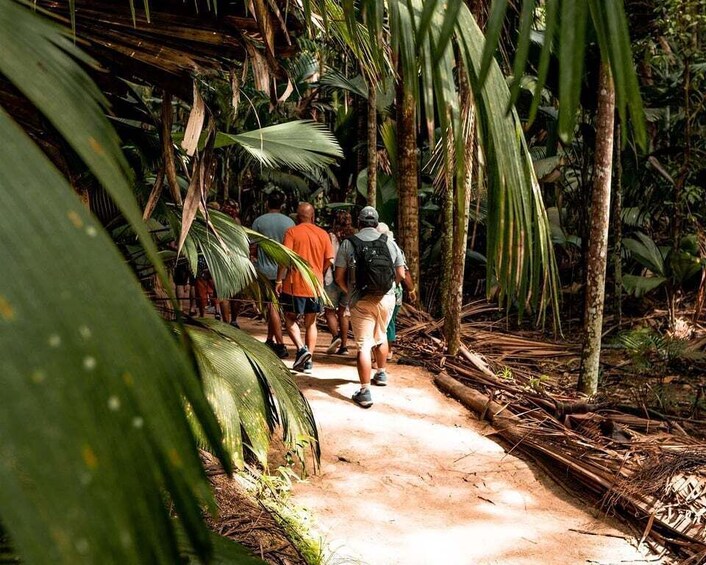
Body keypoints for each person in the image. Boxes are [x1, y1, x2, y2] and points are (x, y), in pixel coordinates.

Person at [334, 206, 405, 408]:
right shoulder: (389, 242)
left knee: (364, 345)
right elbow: (400, 273)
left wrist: (351, 291)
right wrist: (390, 288)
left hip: (361, 299)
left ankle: (365, 391)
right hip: (386, 298)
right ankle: (381, 373)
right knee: (381, 335)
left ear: (359, 222)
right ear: (376, 222)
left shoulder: (349, 243)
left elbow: (339, 277)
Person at [276, 203, 334, 374]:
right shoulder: (323, 234)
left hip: (294, 284)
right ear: (313, 216)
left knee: (289, 317)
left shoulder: (292, 232)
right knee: (311, 322)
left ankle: (302, 349)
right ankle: (309, 362)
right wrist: (318, 272)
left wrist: (279, 280)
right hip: (315, 285)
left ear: (297, 217)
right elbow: (329, 260)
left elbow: (285, 258)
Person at [251, 191, 295, 358]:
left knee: (272, 307)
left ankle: (281, 344)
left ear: (267, 203)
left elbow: (252, 247)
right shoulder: (289, 222)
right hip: (283, 272)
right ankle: (270, 339)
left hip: (265, 271)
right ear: (282, 205)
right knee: (273, 306)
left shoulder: (259, 221)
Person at [375, 223, 417, 361]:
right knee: (390, 322)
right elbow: (403, 272)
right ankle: (388, 351)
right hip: (393, 291)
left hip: (375, 290)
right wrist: (410, 289)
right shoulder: (395, 248)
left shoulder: (371, 247)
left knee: (377, 323)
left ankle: (378, 353)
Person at [324, 210, 356, 355]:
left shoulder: (329, 236)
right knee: (344, 312)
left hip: (331, 277)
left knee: (329, 311)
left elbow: (328, 258)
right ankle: (344, 346)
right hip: (349, 280)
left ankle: (335, 336)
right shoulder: (354, 237)